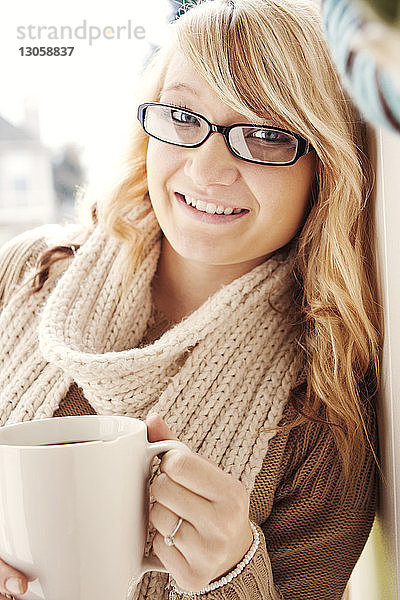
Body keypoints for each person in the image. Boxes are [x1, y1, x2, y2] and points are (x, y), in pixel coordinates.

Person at [0, 0, 382, 599]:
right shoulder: (29, 273)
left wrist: (232, 574)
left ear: (323, 167)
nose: (206, 168)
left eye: (263, 134)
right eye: (182, 115)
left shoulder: (323, 409)